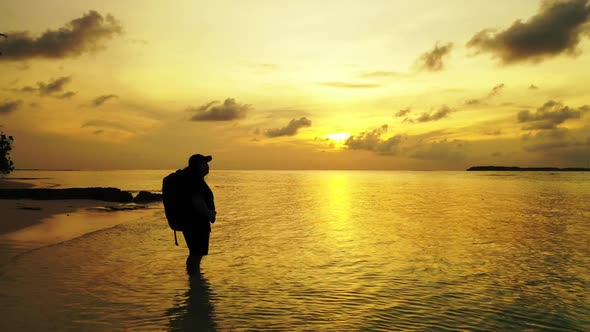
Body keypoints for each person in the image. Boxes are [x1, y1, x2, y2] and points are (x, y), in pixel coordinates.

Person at [182, 154, 217, 275]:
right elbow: (198, 203)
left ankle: (194, 282)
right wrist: (210, 214)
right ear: (198, 166)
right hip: (196, 224)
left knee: (195, 254)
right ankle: (195, 282)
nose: (207, 166)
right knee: (196, 255)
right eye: (204, 163)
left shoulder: (193, 180)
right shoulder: (195, 182)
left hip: (193, 223)